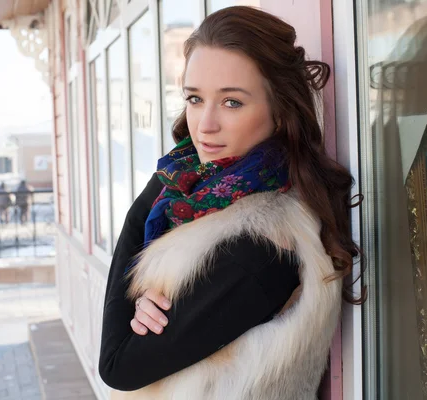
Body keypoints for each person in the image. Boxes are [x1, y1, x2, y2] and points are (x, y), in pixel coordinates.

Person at [99, 6, 362, 400]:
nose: (204, 125)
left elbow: (117, 366)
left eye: (232, 102)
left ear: (279, 111)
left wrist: (154, 190)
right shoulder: (199, 195)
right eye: (194, 98)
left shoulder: (262, 245)